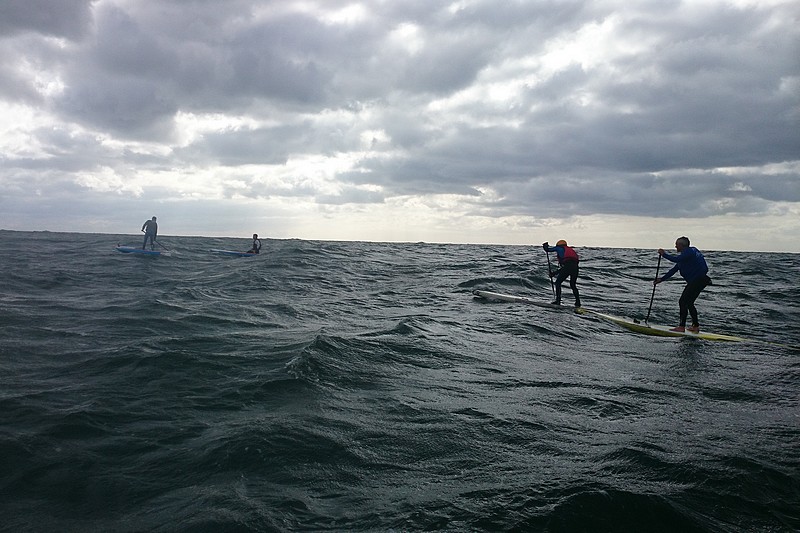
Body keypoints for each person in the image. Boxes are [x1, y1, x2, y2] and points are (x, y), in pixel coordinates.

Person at [654, 236, 712, 333]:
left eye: (676, 245)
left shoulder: (689, 252)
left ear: (681, 245)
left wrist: (664, 254)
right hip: (700, 281)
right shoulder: (686, 256)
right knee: (689, 303)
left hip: (698, 280)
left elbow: (675, 259)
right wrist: (661, 279)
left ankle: (681, 327)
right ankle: (695, 326)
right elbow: (674, 270)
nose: (675, 246)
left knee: (682, 301)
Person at [542, 239, 581, 307]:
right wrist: (554, 273)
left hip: (567, 266)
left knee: (558, 283)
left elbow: (548, 250)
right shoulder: (570, 249)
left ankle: (558, 300)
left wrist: (545, 246)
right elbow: (569, 265)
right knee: (573, 285)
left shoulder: (559, 248)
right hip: (575, 268)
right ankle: (578, 302)